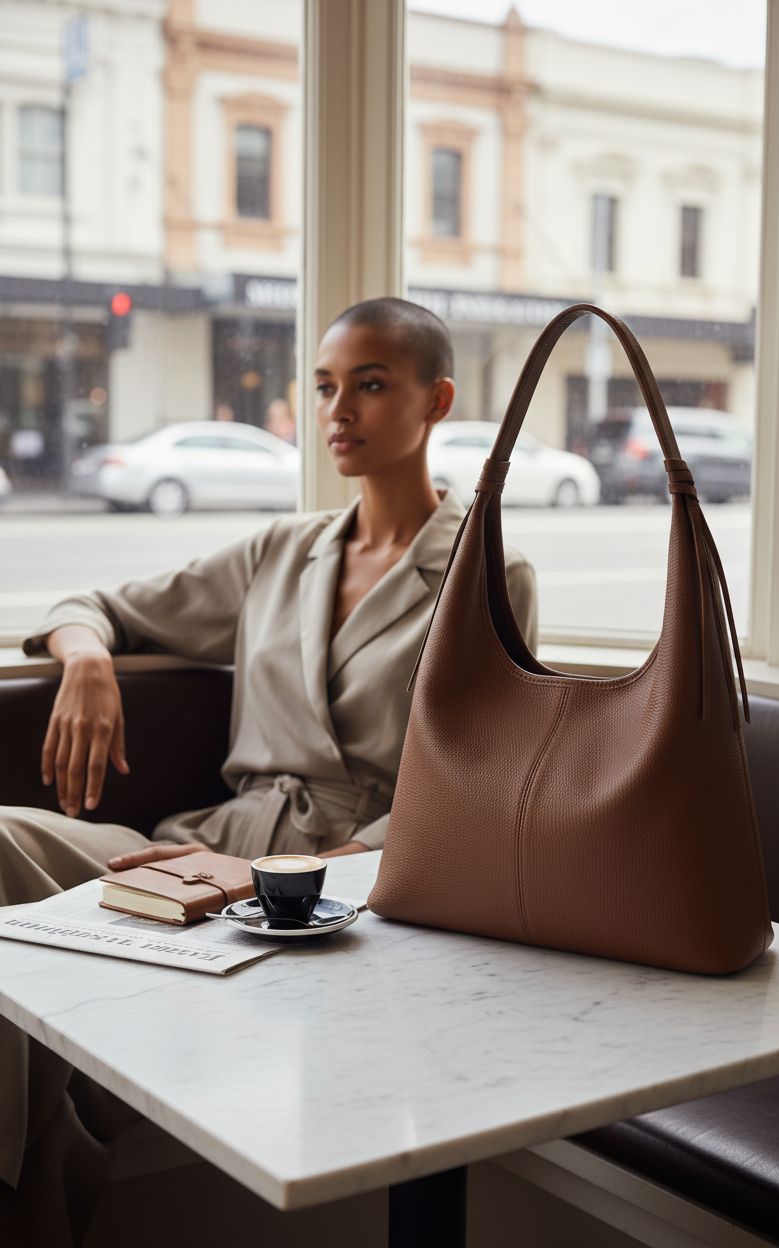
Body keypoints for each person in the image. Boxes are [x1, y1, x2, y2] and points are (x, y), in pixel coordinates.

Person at [0, 297, 537, 1245]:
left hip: (341, 890)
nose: (338, 410)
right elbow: (93, 603)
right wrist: (85, 660)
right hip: (197, 850)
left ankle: (39, 1192)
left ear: (437, 399)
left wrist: (295, 875)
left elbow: (472, 786)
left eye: (370, 385)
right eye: (326, 387)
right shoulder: (280, 551)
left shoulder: (486, 573)